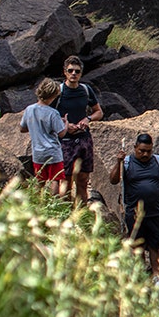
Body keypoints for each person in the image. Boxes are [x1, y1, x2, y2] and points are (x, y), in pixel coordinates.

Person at [109, 133, 159, 277]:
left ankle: (157, 277)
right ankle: (140, 276)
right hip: (134, 214)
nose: (145, 154)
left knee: (155, 246)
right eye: (142, 151)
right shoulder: (127, 162)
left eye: (149, 151)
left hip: (156, 213)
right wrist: (118, 162)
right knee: (137, 246)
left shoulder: (158, 161)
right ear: (135, 148)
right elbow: (113, 180)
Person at [54, 56, 103, 206]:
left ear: (81, 73)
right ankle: (65, 214)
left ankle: (81, 213)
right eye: (70, 71)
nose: (73, 74)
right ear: (65, 72)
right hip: (65, 140)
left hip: (84, 139)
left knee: (83, 180)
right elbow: (49, 116)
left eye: (77, 71)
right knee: (65, 181)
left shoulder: (86, 90)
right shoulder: (58, 91)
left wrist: (88, 119)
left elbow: (99, 112)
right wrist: (64, 125)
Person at [19, 78, 69, 195]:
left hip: (38, 152)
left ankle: (37, 204)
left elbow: (22, 128)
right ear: (52, 96)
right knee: (54, 179)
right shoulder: (53, 113)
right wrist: (65, 123)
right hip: (52, 152)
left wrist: (34, 126)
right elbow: (61, 133)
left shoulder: (29, 109)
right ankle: (53, 203)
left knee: (39, 179)